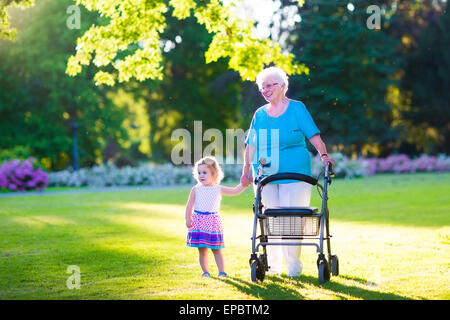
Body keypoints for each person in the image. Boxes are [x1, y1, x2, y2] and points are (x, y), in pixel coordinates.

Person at [240, 66, 335, 277]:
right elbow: (251, 145)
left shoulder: (297, 109)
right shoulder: (259, 115)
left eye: (269, 85)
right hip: (265, 174)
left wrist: (324, 155)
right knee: (270, 219)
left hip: (296, 173)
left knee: (292, 218)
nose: (265, 90)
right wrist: (246, 169)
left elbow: (314, 135)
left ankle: (293, 267)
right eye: (262, 87)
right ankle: (272, 267)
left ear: (282, 86)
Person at [186, 156, 250, 278]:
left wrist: (244, 185)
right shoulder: (196, 189)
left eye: (205, 172)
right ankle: (205, 271)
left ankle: (222, 271)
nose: (201, 175)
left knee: (216, 248)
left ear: (214, 174)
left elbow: (234, 191)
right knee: (202, 249)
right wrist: (188, 218)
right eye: (199, 173)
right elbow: (189, 205)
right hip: (199, 221)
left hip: (212, 222)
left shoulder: (217, 189)